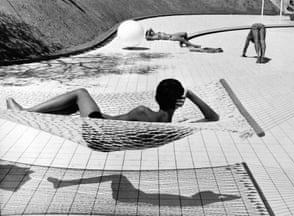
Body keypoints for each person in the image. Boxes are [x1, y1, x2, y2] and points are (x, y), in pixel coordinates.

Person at [6, 79, 219, 123]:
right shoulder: (171, 126)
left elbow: (112, 122)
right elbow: (213, 117)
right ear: (178, 102)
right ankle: (29, 115)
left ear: (157, 97)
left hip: (100, 129)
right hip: (103, 130)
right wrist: (189, 95)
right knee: (72, 107)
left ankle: (25, 113)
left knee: (80, 92)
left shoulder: (143, 112)